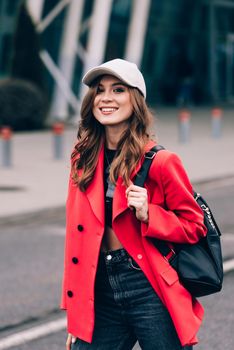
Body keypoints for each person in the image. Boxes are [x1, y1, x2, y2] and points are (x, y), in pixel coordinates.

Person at [61, 58, 207, 350]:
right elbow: (76, 237)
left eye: (118, 90)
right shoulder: (83, 159)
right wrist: (77, 316)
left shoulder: (161, 162)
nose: (106, 98)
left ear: (135, 100)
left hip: (148, 288)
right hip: (99, 288)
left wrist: (149, 213)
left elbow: (195, 226)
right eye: (99, 90)